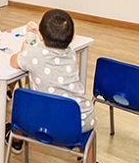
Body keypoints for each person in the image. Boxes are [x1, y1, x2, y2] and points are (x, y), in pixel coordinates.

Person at [10, 9, 96, 158]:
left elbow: (14, 61)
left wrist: (27, 42)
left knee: (22, 107)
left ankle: (17, 140)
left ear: (40, 36)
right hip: (76, 122)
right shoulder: (70, 53)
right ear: (71, 38)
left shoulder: (33, 54)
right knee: (90, 133)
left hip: (34, 120)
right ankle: (86, 157)